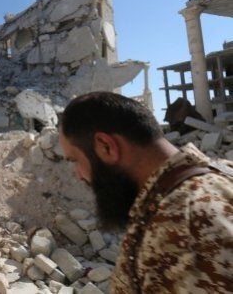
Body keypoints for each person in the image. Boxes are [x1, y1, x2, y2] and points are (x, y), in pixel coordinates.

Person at [58, 91, 233, 293]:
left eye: (75, 160)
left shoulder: (182, 219)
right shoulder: (213, 178)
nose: (78, 175)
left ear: (106, 146)